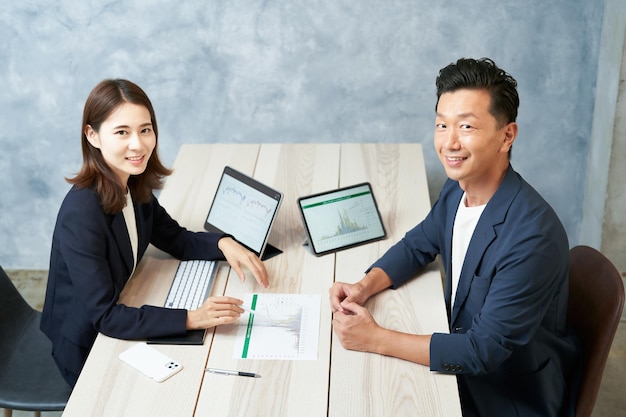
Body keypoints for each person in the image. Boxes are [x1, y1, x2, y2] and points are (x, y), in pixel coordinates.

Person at [329, 58, 580, 417]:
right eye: (441, 125)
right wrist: (364, 287)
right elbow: (419, 244)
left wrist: (375, 338)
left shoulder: (532, 237)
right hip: (462, 357)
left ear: (507, 135)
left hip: (505, 394)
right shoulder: (456, 188)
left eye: (466, 126)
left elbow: (481, 351)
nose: (449, 142)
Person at [40, 79, 269, 387]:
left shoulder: (131, 181)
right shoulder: (82, 213)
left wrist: (224, 242)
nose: (138, 144)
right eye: (122, 132)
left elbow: (175, 238)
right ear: (92, 135)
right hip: (86, 346)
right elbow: (106, 318)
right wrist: (191, 318)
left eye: (145, 129)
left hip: (121, 308)